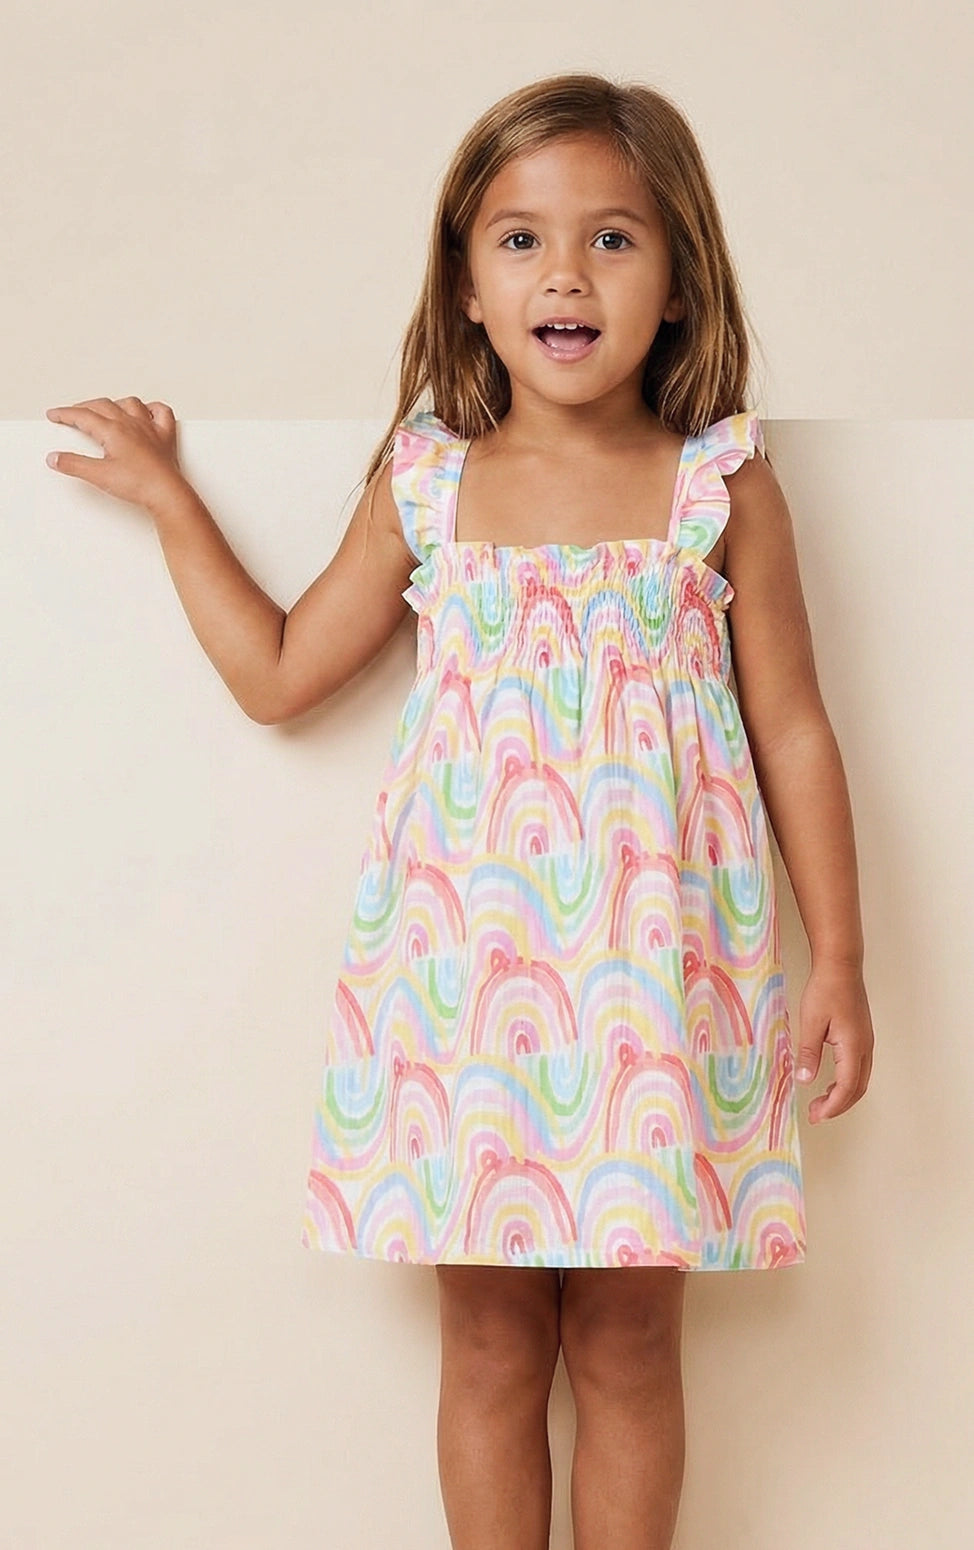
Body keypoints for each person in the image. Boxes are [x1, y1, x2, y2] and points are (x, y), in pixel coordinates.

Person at [45, 69, 874, 1550]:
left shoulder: (721, 489)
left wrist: (841, 961)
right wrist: (174, 500)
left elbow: (794, 727)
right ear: (467, 285)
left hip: (650, 992)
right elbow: (281, 672)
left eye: (613, 238)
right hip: (466, 1001)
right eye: (521, 240)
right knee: (489, 1345)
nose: (566, 273)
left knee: (627, 1341)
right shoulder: (428, 481)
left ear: (680, 277)